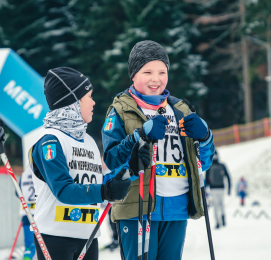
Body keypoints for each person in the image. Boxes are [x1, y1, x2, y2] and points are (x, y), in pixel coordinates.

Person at [102, 40, 215, 260]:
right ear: (133, 75)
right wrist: (139, 136)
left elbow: (201, 164)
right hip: (137, 208)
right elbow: (112, 160)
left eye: (162, 72)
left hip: (176, 208)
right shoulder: (120, 110)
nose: (156, 79)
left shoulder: (180, 109)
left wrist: (205, 137)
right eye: (148, 72)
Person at [28, 67, 150, 260]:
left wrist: (131, 170)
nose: (93, 102)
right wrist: (105, 191)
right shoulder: (50, 141)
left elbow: (98, 182)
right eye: (89, 96)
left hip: (89, 235)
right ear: (73, 102)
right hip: (55, 236)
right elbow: (64, 190)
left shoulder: (89, 141)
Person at [205, 150, 231, 229]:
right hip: (221, 188)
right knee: (221, 204)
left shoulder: (209, 166)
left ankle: (217, 222)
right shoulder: (222, 165)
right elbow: (228, 177)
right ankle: (223, 216)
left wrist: (205, 190)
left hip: (213, 189)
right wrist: (229, 188)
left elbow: (206, 179)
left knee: (215, 206)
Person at [18, 166, 36, 260]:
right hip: (40, 213)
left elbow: (18, 193)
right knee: (45, 244)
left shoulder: (24, 174)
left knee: (29, 246)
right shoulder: (43, 169)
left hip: (26, 213)